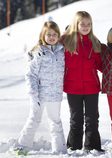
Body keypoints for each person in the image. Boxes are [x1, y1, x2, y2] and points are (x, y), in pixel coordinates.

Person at [13, 21, 66, 155]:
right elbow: (30, 75)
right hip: (39, 95)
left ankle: (60, 150)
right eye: (49, 34)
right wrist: (33, 93)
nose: (52, 37)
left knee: (56, 122)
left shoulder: (62, 51)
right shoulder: (39, 53)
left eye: (55, 34)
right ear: (43, 35)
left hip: (54, 94)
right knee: (34, 119)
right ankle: (21, 146)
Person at [60, 11, 103, 153]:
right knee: (75, 118)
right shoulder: (66, 41)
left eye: (88, 24)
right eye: (82, 24)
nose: (86, 27)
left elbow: (101, 64)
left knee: (92, 119)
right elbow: (50, 45)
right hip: (73, 87)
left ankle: (92, 147)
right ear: (75, 24)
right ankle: (73, 146)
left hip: (91, 87)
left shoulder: (94, 42)